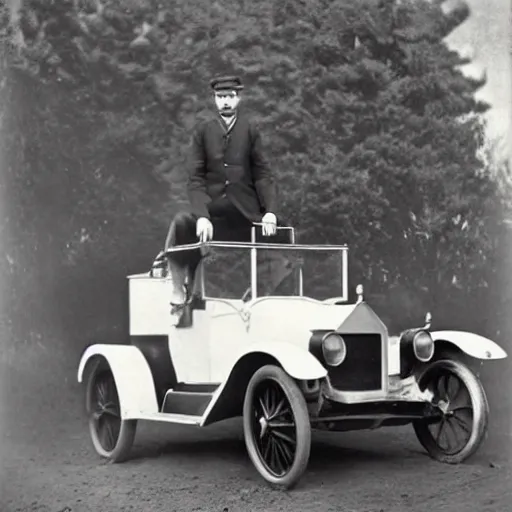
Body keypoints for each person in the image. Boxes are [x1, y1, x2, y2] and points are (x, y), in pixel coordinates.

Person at [158, 75, 292, 326]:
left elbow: (263, 174)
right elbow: (195, 179)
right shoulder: (203, 131)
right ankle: (179, 292)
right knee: (181, 224)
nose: (226, 102)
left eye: (230, 96)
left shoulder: (250, 130)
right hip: (215, 215)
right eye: (221, 97)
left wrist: (270, 212)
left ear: (238, 98)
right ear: (214, 99)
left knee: (282, 229)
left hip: (245, 214)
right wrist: (202, 217)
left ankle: (271, 299)